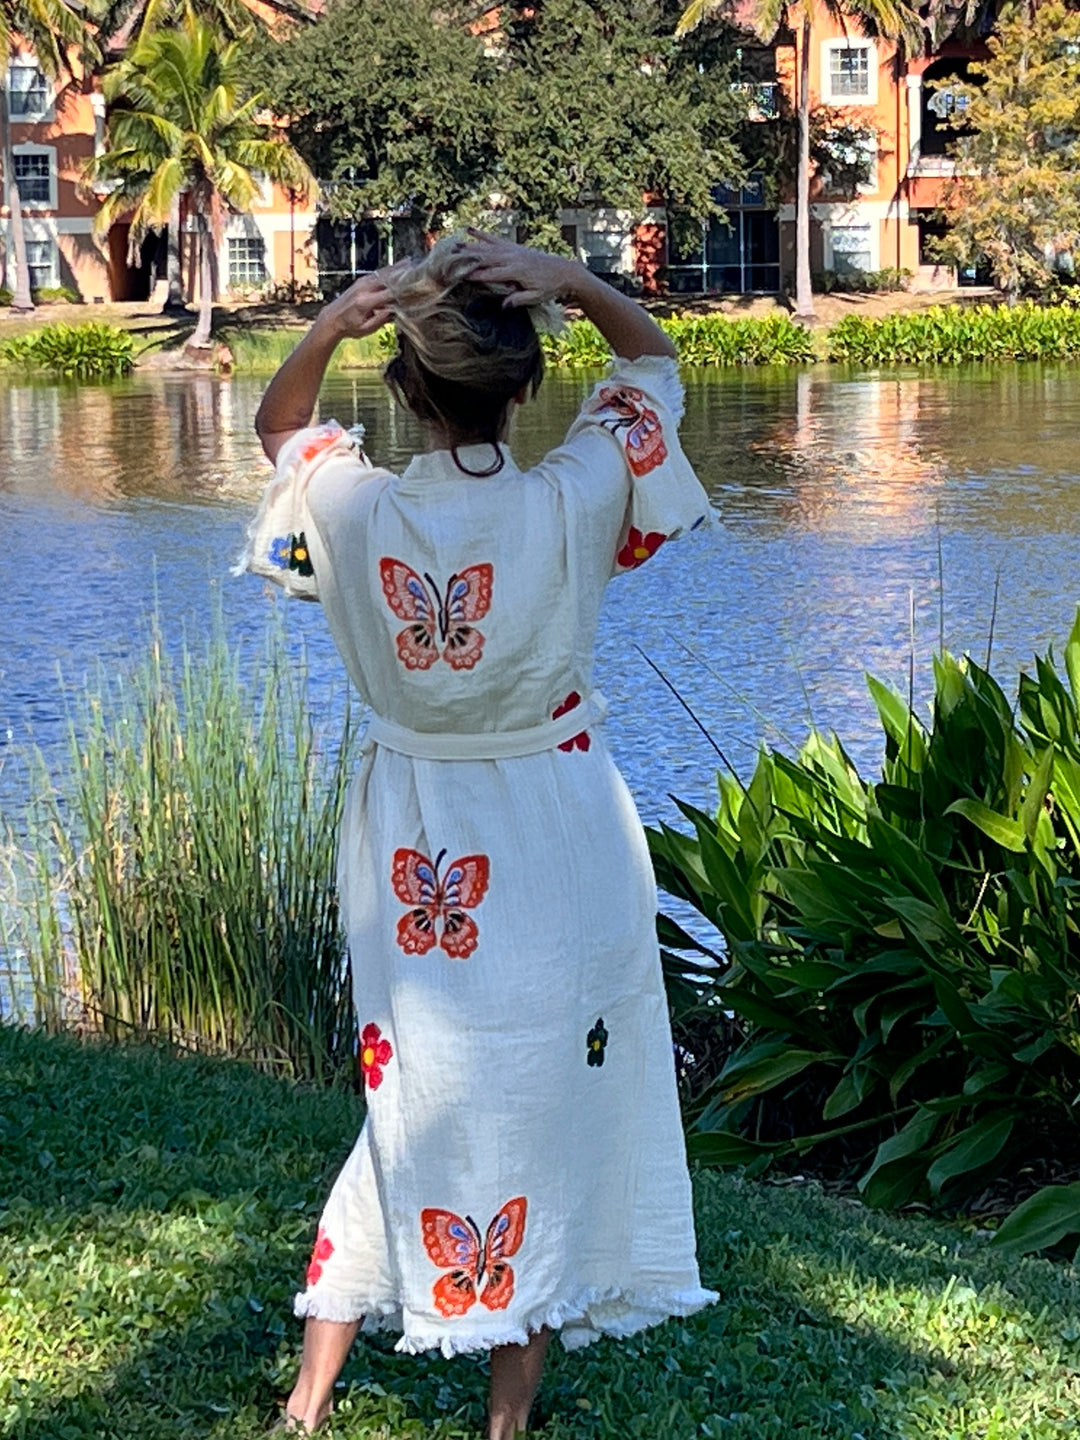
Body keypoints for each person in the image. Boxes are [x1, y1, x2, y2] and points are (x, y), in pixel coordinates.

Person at [241, 232, 717, 1438]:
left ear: (404, 385)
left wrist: (331, 322)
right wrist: (572, 283)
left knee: (413, 1090)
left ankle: (309, 1396)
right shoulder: (573, 496)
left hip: (416, 836)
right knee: (547, 1092)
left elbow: (278, 428)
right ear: (526, 386)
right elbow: (652, 369)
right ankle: (506, 1420)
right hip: (558, 822)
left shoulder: (353, 505)